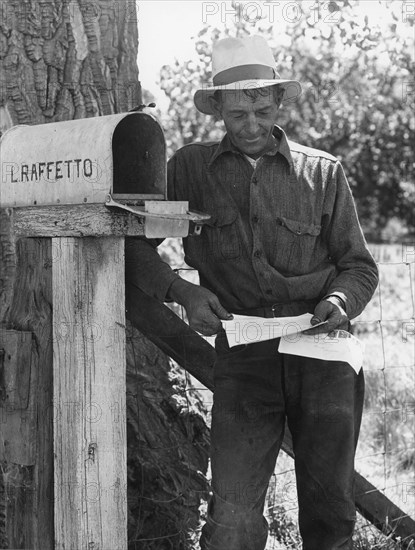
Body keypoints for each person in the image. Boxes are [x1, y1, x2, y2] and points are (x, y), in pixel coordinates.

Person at [125, 35, 378, 550]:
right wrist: (183, 293)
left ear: (280, 103)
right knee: (234, 515)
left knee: (330, 508)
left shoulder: (323, 172)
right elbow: (134, 248)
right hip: (243, 357)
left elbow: (359, 267)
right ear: (217, 108)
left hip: (323, 355)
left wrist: (339, 302)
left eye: (262, 110)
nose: (251, 125)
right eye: (237, 113)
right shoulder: (188, 170)